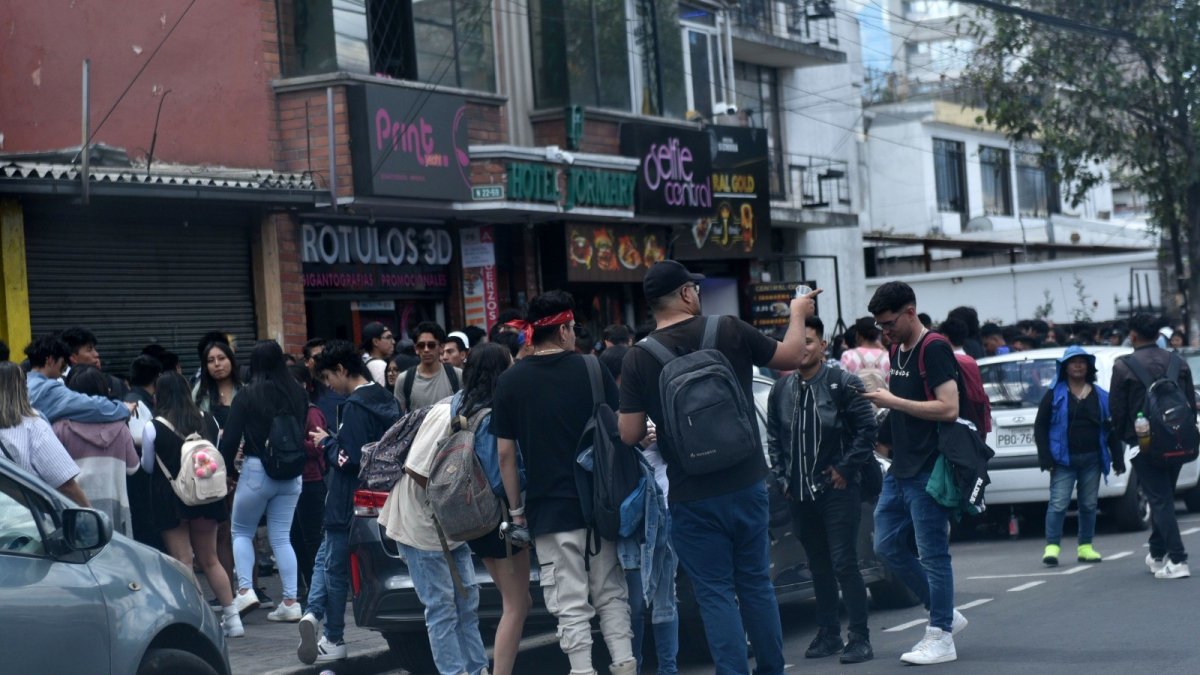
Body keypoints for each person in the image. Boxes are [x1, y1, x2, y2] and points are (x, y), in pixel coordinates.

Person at [617, 260, 816, 675]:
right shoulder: (727, 328)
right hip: (746, 482)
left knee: (715, 593)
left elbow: (629, 432)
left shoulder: (639, 357)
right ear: (687, 294)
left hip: (691, 494)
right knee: (757, 584)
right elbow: (794, 355)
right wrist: (797, 313)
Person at [493, 290, 637, 675]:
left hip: (548, 511)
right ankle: (624, 664)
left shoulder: (510, 382)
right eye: (572, 327)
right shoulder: (592, 369)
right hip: (598, 505)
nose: (575, 334)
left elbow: (505, 454)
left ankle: (582, 670)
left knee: (569, 604)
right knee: (610, 594)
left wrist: (518, 513)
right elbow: (620, 427)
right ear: (561, 331)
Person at [377, 347, 520, 675]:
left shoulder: (486, 411)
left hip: (453, 524)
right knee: (441, 608)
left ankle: (476, 670)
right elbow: (416, 468)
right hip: (421, 525)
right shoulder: (446, 412)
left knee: (467, 604)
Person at [862, 281, 967, 665]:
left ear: (910, 312)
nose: (884, 332)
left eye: (889, 323)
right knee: (885, 545)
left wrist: (892, 401)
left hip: (930, 468)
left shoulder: (934, 347)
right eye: (879, 326)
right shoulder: (896, 349)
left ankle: (941, 635)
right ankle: (946, 614)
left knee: (933, 553)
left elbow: (949, 408)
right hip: (900, 467)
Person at [768, 316, 877, 664]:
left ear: (823, 346)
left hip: (837, 490)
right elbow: (774, 438)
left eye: (810, 342)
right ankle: (828, 633)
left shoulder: (842, 382)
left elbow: (867, 429)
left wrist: (846, 468)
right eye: (798, 343)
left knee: (845, 563)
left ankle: (859, 637)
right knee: (818, 565)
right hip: (798, 492)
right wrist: (784, 479)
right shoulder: (779, 389)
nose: (803, 349)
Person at [301, 340, 401, 664]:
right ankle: (313, 615)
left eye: (329, 377)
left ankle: (333, 636)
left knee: (333, 569)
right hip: (379, 498)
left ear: (343, 370)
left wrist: (327, 443)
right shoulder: (386, 399)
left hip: (346, 500)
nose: (329, 386)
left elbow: (350, 459)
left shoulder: (356, 406)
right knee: (325, 559)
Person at [139, 372, 241, 637]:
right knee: (211, 559)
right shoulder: (208, 419)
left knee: (183, 560)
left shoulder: (154, 426)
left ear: (158, 394)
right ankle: (233, 619)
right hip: (206, 496)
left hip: (170, 499)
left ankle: (202, 622)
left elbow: (148, 466)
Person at [600, 342, 679, 675]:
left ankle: (666, 668)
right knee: (641, 599)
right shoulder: (606, 416)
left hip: (655, 508)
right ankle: (654, 667)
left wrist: (660, 436)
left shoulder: (655, 402)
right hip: (636, 512)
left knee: (655, 596)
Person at [219, 341, 307, 623]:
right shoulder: (298, 392)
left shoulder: (247, 394)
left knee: (241, 532)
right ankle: (291, 601)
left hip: (257, 470)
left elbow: (231, 438)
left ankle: (245, 590)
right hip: (292, 472)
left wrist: (228, 473)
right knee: (281, 536)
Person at [1109, 314, 1197, 579]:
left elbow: (1117, 410)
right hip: (1178, 440)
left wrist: (1128, 440)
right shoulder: (1177, 361)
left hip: (1144, 442)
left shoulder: (1123, 366)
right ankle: (1157, 554)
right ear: (1158, 334)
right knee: (1164, 498)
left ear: (1132, 335)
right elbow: (1190, 401)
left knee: (1160, 500)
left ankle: (1179, 559)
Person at [1034, 346, 1123, 566]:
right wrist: (1045, 457)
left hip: (1092, 459)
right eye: (1073, 362)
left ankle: (1085, 547)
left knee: (1089, 505)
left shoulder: (1101, 396)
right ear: (1064, 367)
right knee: (1058, 504)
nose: (1078, 366)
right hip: (1063, 461)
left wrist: (1118, 458)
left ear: (1089, 367)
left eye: (1082, 362)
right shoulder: (1054, 394)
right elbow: (1040, 426)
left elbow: (1111, 430)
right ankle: (1052, 547)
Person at [54, 365, 139, 536]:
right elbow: (133, 468)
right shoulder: (121, 429)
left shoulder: (60, 429)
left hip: (73, 510)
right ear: (104, 391)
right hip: (114, 513)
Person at [0, 361, 89, 506]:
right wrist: (91, 515)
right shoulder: (34, 427)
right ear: (22, 388)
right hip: (28, 523)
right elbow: (66, 485)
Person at [24, 334, 132, 425]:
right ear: (50, 360)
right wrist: (123, 408)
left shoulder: (22, 384)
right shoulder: (48, 390)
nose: (63, 367)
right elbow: (89, 406)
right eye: (62, 362)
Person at [288, 363, 327, 604]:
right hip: (292, 483)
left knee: (313, 539)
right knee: (295, 539)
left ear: (305, 385)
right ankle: (309, 587)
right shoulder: (289, 412)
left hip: (312, 483)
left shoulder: (311, 413)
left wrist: (291, 443)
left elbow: (319, 445)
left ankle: (319, 589)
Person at [394, 322, 462, 413]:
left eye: (431, 345)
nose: (426, 350)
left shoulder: (457, 375)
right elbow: (399, 419)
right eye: (421, 346)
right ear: (416, 349)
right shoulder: (404, 379)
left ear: (441, 347)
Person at [194, 341, 242, 429]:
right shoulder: (200, 391)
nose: (217, 364)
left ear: (231, 360)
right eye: (210, 360)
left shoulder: (244, 390)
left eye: (222, 358)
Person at [840, 316, 890, 392]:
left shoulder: (848, 355)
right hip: (883, 402)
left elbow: (843, 384)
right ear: (877, 334)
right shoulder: (887, 357)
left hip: (857, 402)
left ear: (858, 335)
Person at [360, 322, 396, 388]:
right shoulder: (380, 365)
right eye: (388, 338)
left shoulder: (365, 362)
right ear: (375, 342)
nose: (393, 342)